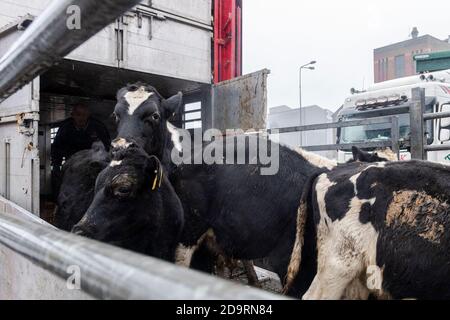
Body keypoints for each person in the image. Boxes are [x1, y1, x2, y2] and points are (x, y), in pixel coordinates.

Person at [51, 103, 111, 198]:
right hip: (72, 164)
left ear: (88, 115)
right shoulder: (65, 127)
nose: (81, 118)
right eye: (78, 114)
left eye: (84, 115)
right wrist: (56, 165)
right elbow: (57, 147)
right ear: (72, 115)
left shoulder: (98, 127)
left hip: (93, 164)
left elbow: (107, 147)